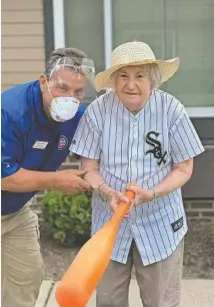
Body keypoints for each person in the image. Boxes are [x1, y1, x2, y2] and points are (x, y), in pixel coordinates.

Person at [70, 41, 205, 307]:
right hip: (109, 225)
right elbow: (89, 169)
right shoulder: (97, 112)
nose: (130, 85)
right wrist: (105, 190)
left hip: (160, 226)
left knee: (161, 302)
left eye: (139, 75)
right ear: (113, 80)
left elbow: (184, 168)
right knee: (108, 301)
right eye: (123, 76)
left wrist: (153, 193)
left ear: (152, 80)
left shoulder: (172, 110)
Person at [1, 47, 95, 307]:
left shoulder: (77, 117)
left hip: (15, 212)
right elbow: (4, 177)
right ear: (44, 81)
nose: (70, 98)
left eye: (78, 92)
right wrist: (56, 180)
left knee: (28, 277)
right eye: (62, 88)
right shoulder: (9, 111)